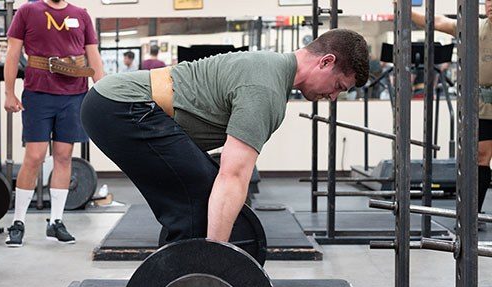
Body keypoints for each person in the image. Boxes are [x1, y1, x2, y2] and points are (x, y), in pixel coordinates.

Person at [81, 29, 369, 243]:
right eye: (339, 86)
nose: (333, 97)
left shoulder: (270, 71)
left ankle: (182, 283)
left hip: (115, 104)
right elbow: (233, 176)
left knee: (199, 197)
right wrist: (217, 258)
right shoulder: (266, 89)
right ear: (325, 62)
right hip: (120, 106)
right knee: (199, 202)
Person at [4, 0, 104, 247]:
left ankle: (56, 222)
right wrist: (9, 92)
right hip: (38, 93)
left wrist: (103, 93)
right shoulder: (28, 11)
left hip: (74, 95)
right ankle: (18, 222)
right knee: (34, 157)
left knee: (63, 156)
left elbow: (93, 56)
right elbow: (13, 52)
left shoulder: (81, 15)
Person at [408, 0, 492, 224]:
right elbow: (437, 21)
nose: (490, 5)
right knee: (481, 157)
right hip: (484, 104)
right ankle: (473, 214)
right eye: (488, 1)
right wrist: (404, 8)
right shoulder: (475, 26)